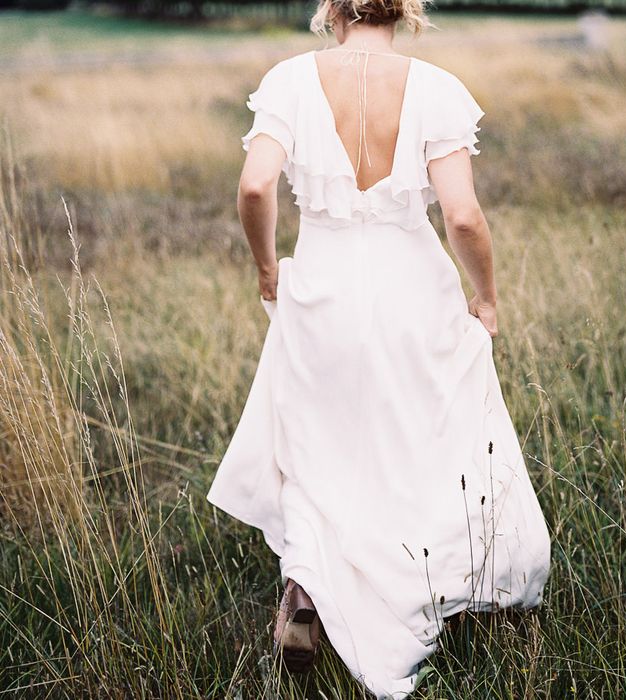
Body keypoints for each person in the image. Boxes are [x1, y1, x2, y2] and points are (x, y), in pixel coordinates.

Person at [206, 0, 551, 697]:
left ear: (332, 7)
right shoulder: (436, 89)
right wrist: (485, 296)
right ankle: (431, 579)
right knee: (427, 436)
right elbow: (462, 214)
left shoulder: (289, 81)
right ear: (406, 9)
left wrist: (268, 267)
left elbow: (253, 185)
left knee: (314, 443)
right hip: (411, 290)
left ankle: (305, 590)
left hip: (322, 289)